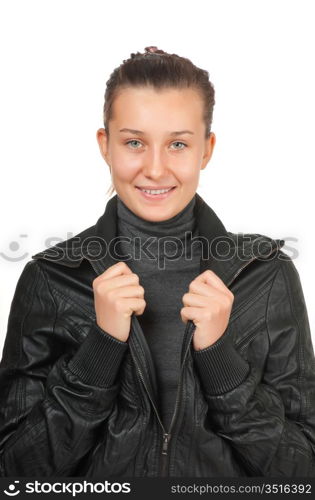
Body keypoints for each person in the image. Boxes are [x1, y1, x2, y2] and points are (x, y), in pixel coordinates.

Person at [0, 46, 314, 478]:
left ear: (206, 149)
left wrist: (220, 360)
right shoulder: (50, 277)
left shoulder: (267, 275)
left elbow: (302, 471)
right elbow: (15, 470)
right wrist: (101, 347)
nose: (155, 168)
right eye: (134, 142)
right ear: (105, 145)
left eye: (178, 144)